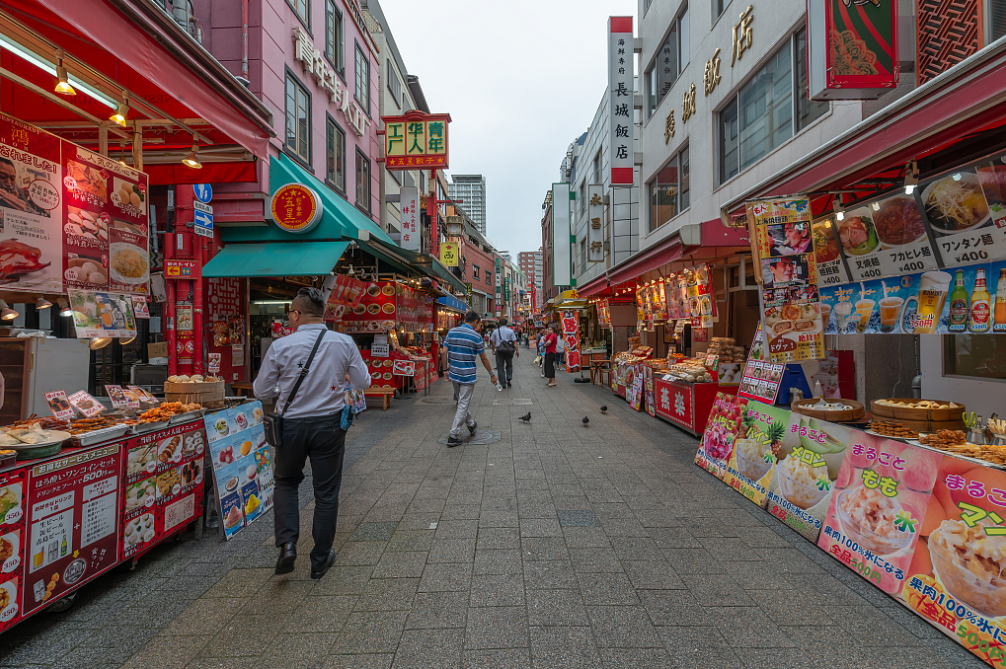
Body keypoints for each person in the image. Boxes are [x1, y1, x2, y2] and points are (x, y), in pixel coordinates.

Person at [253, 287, 371, 580]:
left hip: (290, 425)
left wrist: (285, 385)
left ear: (296, 314)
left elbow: (261, 391)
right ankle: (320, 560)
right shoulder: (343, 342)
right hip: (329, 426)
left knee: (286, 483)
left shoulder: (281, 346)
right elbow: (363, 381)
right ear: (323, 314)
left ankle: (288, 545)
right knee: (326, 493)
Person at [441, 311, 498, 447]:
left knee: (461, 402)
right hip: (467, 375)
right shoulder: (476, 336)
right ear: (475, 322)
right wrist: (492, 374)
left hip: (454, 373)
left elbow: (443, 352)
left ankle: (471, 425)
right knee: (463, 404)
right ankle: (453, 435)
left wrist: (444, 370)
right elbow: (483, 358)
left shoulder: (452, 332)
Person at [490, 318, 519, 389]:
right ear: (506, 324)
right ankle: (509, 378)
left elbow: (493, 342)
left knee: (500, 367)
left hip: (499, 351)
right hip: (509, 351)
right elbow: (514, 341)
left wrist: (493, 349)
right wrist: (517, 350)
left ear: (499, 324)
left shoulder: (496, 331)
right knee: (509, 365)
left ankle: (503, 383)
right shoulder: (510, 331)